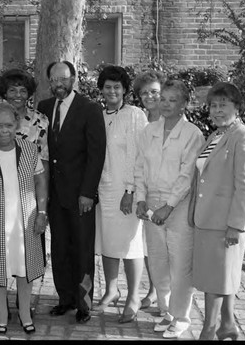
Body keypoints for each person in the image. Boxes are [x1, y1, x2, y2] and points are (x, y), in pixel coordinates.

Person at [188, 82, 245, 340]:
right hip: (208, 219)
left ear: (237, 107)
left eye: (223, 105)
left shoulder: (244, 138)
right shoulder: (217, 135)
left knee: (215, 279)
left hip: (225, 222)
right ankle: (227, 325)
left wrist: (236, 225)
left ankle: (209, 329)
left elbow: (244, 186)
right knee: (221, 275)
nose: (217, 110)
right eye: (214, 105)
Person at [37, 60, 106, 324]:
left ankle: (84, 304)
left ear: (74, 78)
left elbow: (96, 154)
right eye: (54, 80)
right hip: (53, 195)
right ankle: (65, 298)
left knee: (82, 250)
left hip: (80, 196)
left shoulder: (89, 109)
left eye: (63, 79)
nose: (58, 84)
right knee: (60, 250)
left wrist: (88, 191)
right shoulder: (43, 108)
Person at [134, 79, 205, 339]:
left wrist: (169, 206)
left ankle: (181, 316)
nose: (165, 103)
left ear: (185, 104)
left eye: (172, 99)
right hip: (151, 202)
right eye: (163, 98)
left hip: (179, 205)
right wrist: (140, 198)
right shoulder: (148, 131)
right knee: (158, 261)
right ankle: (167, 311)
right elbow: (139, 167)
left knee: (180, 263)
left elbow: (187, 175)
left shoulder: (192, 134)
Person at [0, 102, 48, 335]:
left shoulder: (29, 149)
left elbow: (40, 182)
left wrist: (42, 213)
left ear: (17, 125)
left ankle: (25, 313)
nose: (5, 130)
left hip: (25, 221)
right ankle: (2, 313)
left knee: (25, 267)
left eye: (9, 125)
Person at [0, 68, 50, 276]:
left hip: (28, 195)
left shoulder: (40, 120)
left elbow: (43, 161)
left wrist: (44, 202)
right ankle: (0, 298)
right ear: (4, 92)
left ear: (29, 93)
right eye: (12, 90)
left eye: (22, 90)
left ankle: (24, 300)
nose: (18, 95)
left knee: (29, 246)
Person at [92, 66, 148, 324]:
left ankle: (134, 296)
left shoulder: (135, 115)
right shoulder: (98, 115)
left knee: (131, 244)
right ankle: (111, 290)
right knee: (108, 242)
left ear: (125, 90)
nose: (112, 91)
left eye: (117, 86)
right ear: (101, 89)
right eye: (107, 86)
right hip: (104, 189)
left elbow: (138, 155)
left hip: (127, 190)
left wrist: (130, 190)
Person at [132, 69, 166, 310]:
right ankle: (154, 290)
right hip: (144, 191)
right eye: (144, 93)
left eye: (154, 91)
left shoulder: (172, 120)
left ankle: (165, 296)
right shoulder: (140, 119)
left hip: (166, 195)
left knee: (166, 247)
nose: (149, 96)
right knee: (147, 246)